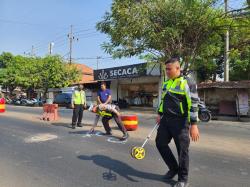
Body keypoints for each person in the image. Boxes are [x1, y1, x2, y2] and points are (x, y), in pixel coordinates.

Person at [156, 58, 200, 187]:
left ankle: (183, 179)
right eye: (166, 69)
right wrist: (159, 114)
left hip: (180, 122)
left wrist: (194, 125)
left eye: (169, 69)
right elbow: (163, 100)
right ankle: (173, 168)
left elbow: (194, 104)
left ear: (178, 68)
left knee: (182, 151)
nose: (167, 72)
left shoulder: (188, 82)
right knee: (160, 143)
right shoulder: (166, 83)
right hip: (166, 120)